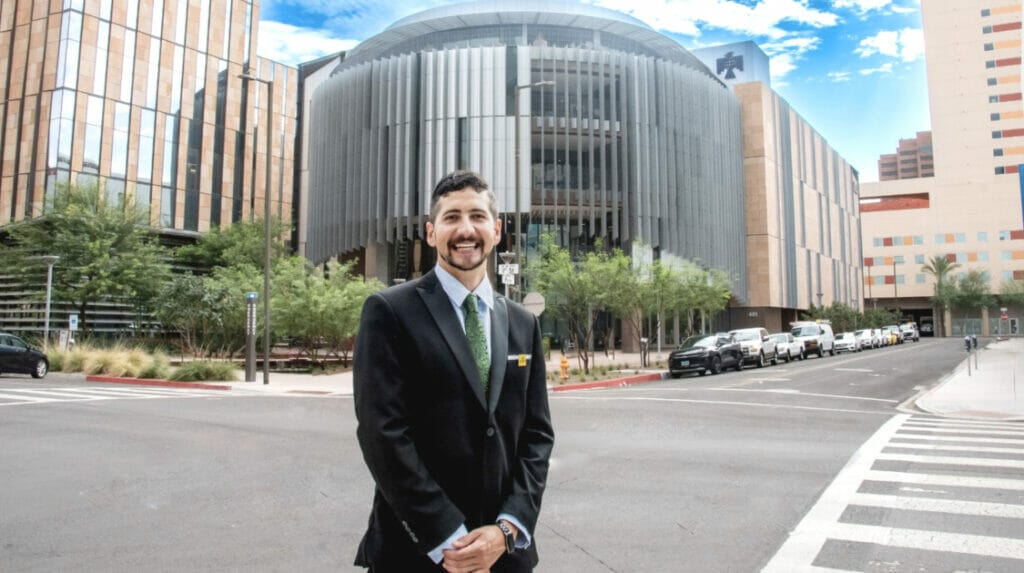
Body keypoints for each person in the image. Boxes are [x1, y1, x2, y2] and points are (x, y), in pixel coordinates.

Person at [353, 170, 555, 572]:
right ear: (431, 232)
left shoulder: (522, 323)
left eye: (478, 216)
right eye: (451, 217)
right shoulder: (389, 312)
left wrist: (508, 528)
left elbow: (536, 435)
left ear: (497, 231)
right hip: (418, 552)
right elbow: (383, 434)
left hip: (505, 555)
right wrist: (448, 538)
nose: (466, 229)